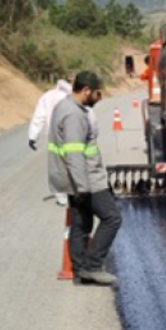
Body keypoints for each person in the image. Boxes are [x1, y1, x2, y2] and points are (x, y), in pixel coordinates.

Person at [48, 71, 122, 286]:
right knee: (112, 218)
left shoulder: (64, 106)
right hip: (86, 179)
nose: (99, 98)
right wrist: (82, 187)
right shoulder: (74, 115)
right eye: (97, 93)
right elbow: (74, 153)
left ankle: (80, 271)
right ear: (87, 90)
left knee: (81, 222)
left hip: (71, 177)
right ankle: (93, 266)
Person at [29, 77, 72, 204]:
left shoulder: (46, 97)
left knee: (58, 167)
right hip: (72, 134)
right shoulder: (72, 96)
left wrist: (33, 136)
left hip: (53, 136)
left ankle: (62, 198)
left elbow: (39, 117)